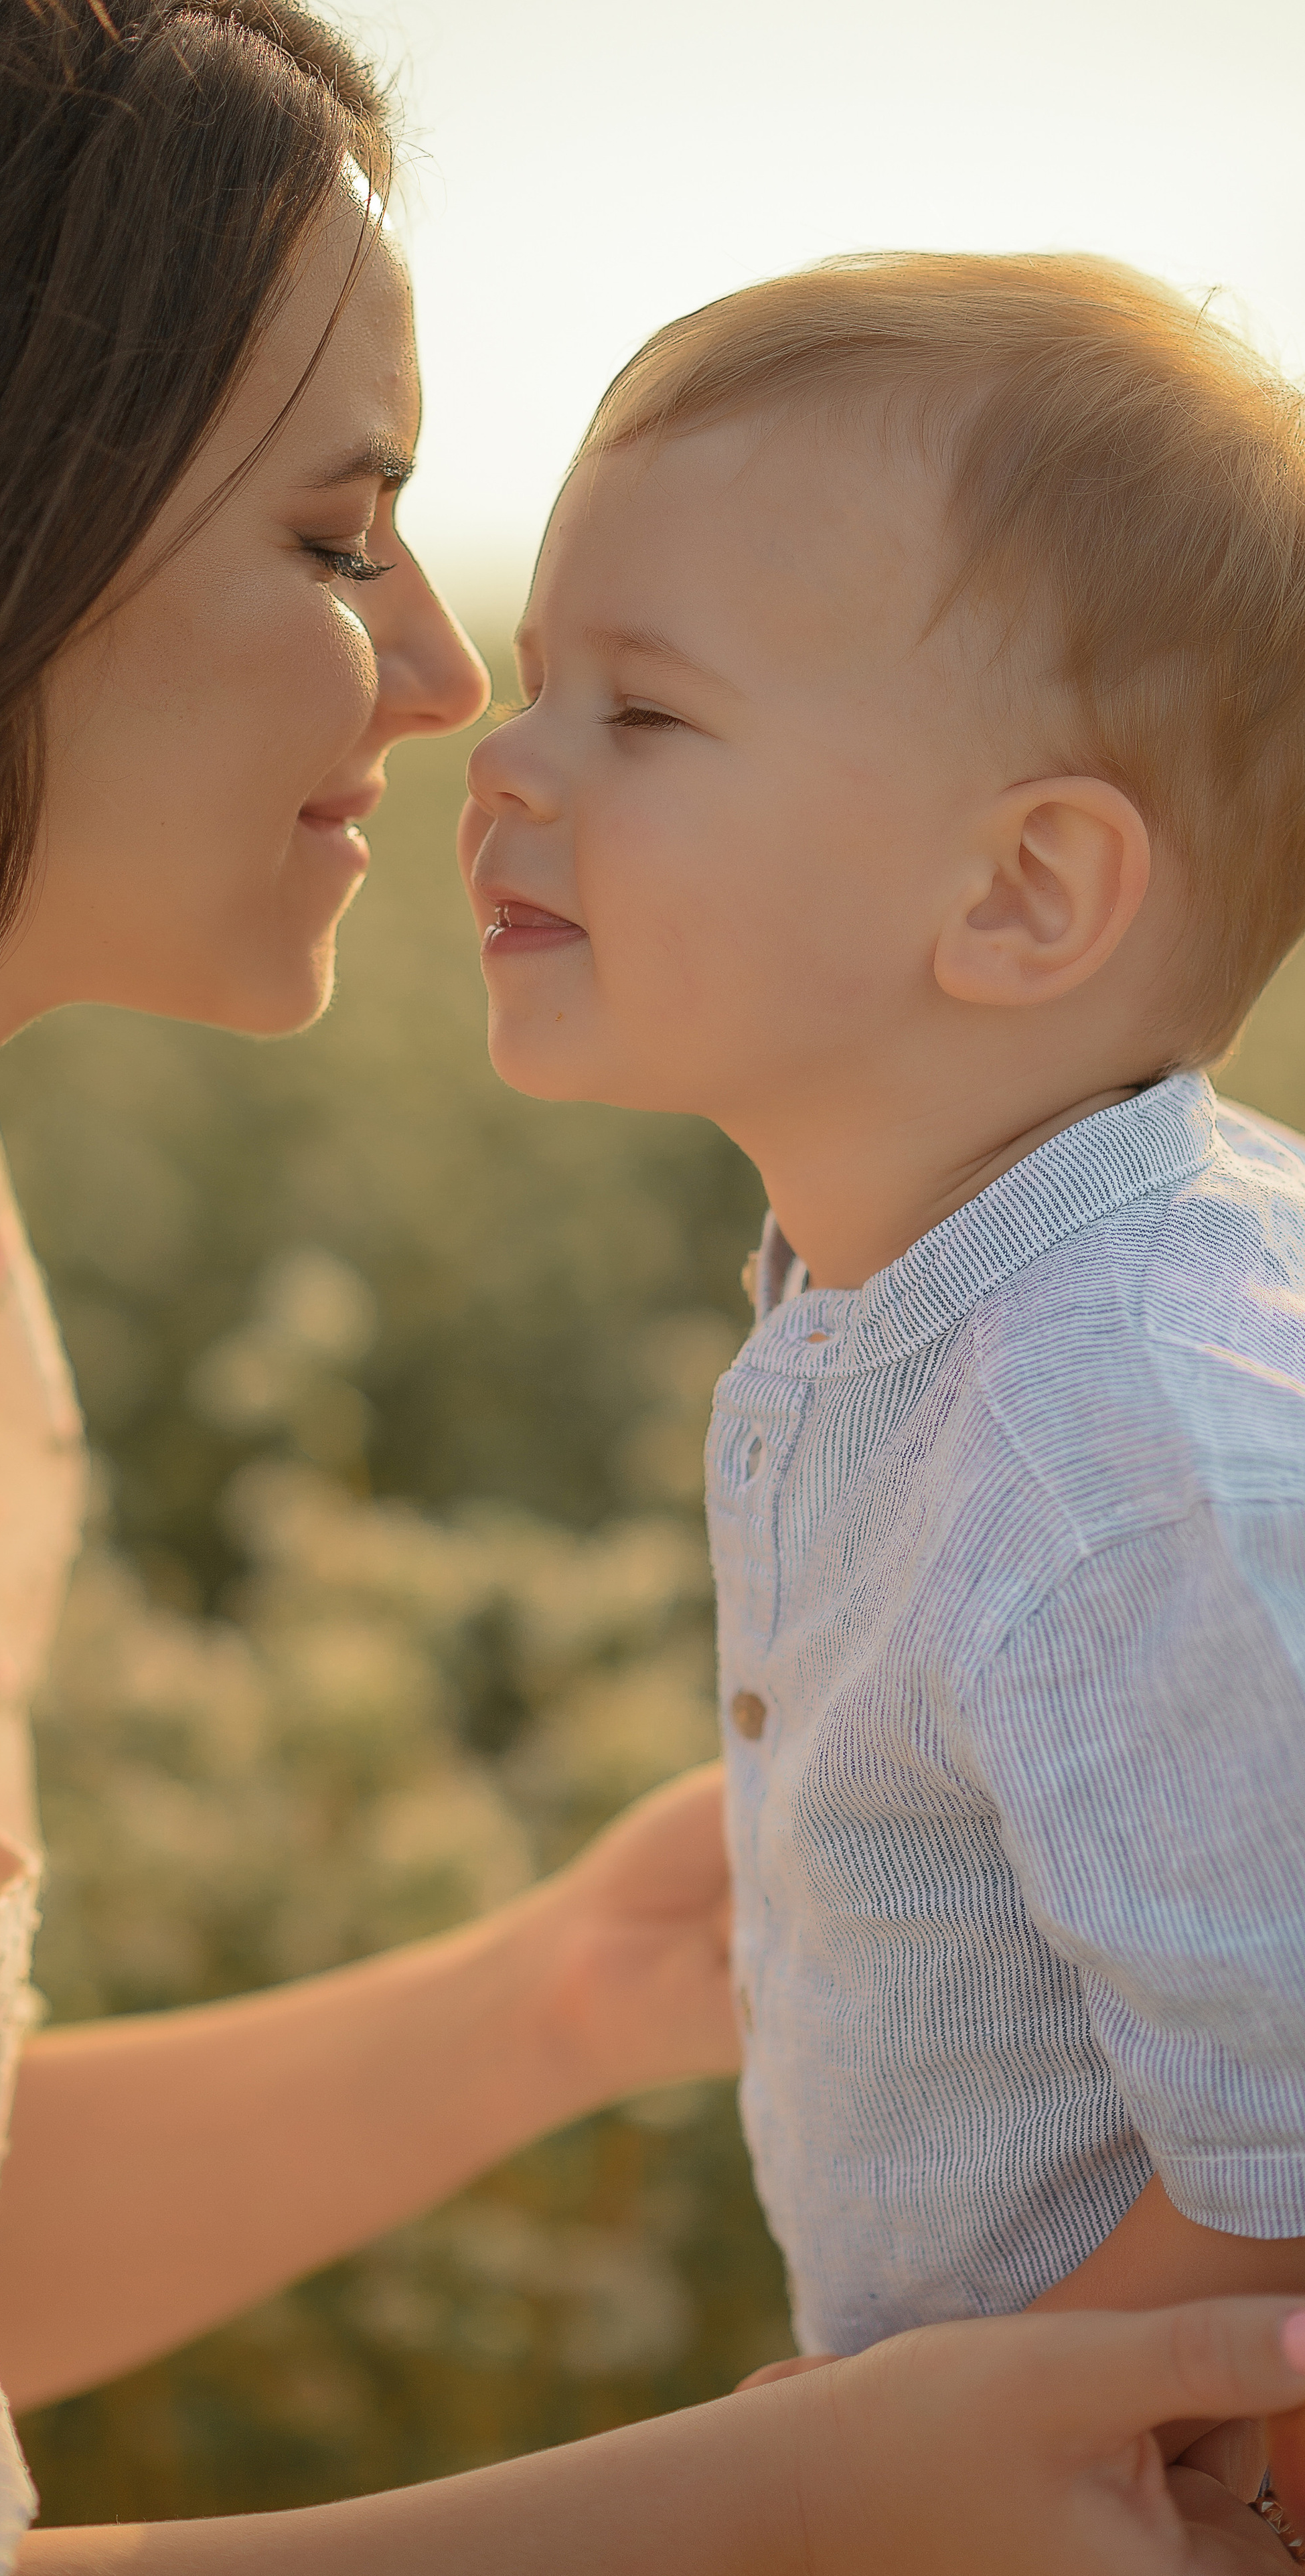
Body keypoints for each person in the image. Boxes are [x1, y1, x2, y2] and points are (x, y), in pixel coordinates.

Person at [0, 2, 1300, 2562]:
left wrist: (553, 1997)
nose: (449, 686)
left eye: (650, 701)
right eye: (328, 528)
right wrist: (785, 2509)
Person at [457, 250, 1305, 2536]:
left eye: (643, 713)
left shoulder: (1109, 1443)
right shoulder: (946, 1287)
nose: (503, 759)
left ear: (1024, 895)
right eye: (541, 684)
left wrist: (885, 2471)